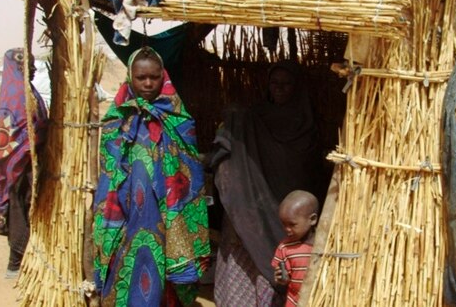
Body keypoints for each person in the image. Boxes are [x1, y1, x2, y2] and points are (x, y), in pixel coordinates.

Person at [92, 47, 210, 306]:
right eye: (140, 77)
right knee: (123, 270)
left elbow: (190, 170)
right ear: (129, 78)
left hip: (166, 216)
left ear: (163, 77)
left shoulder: (179, 119)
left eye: (154, 77)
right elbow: (108, 172)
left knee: (164, 280)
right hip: (124, 215)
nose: (147, 83)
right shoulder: (115, 121)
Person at [209, 61, 327, 306]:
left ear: (297, 87)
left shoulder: (306, 123)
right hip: (255, 204)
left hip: (290, 205)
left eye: (287, 84)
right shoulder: (253, 117)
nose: (280, 89)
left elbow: (309, 169)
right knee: (247, 245)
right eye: (275, 83)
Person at [0, 48, 48, 279]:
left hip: (32, 164)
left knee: (30, 212)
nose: (32, 69)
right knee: (19, 213)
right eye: (27, 65)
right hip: (18, 168)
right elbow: (10, 137)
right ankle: (15, 264)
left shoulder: (29, 92)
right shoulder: (14, 97)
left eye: (33, 65)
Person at [271, 190, 319, 307]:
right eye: (284, 224)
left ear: (312, 219)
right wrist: (282, 280)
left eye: (292, 224)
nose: (287, 229)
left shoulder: (327, 245)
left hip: (320, 299)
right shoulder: (285, 248)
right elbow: (283, 279)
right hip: (295, 302)